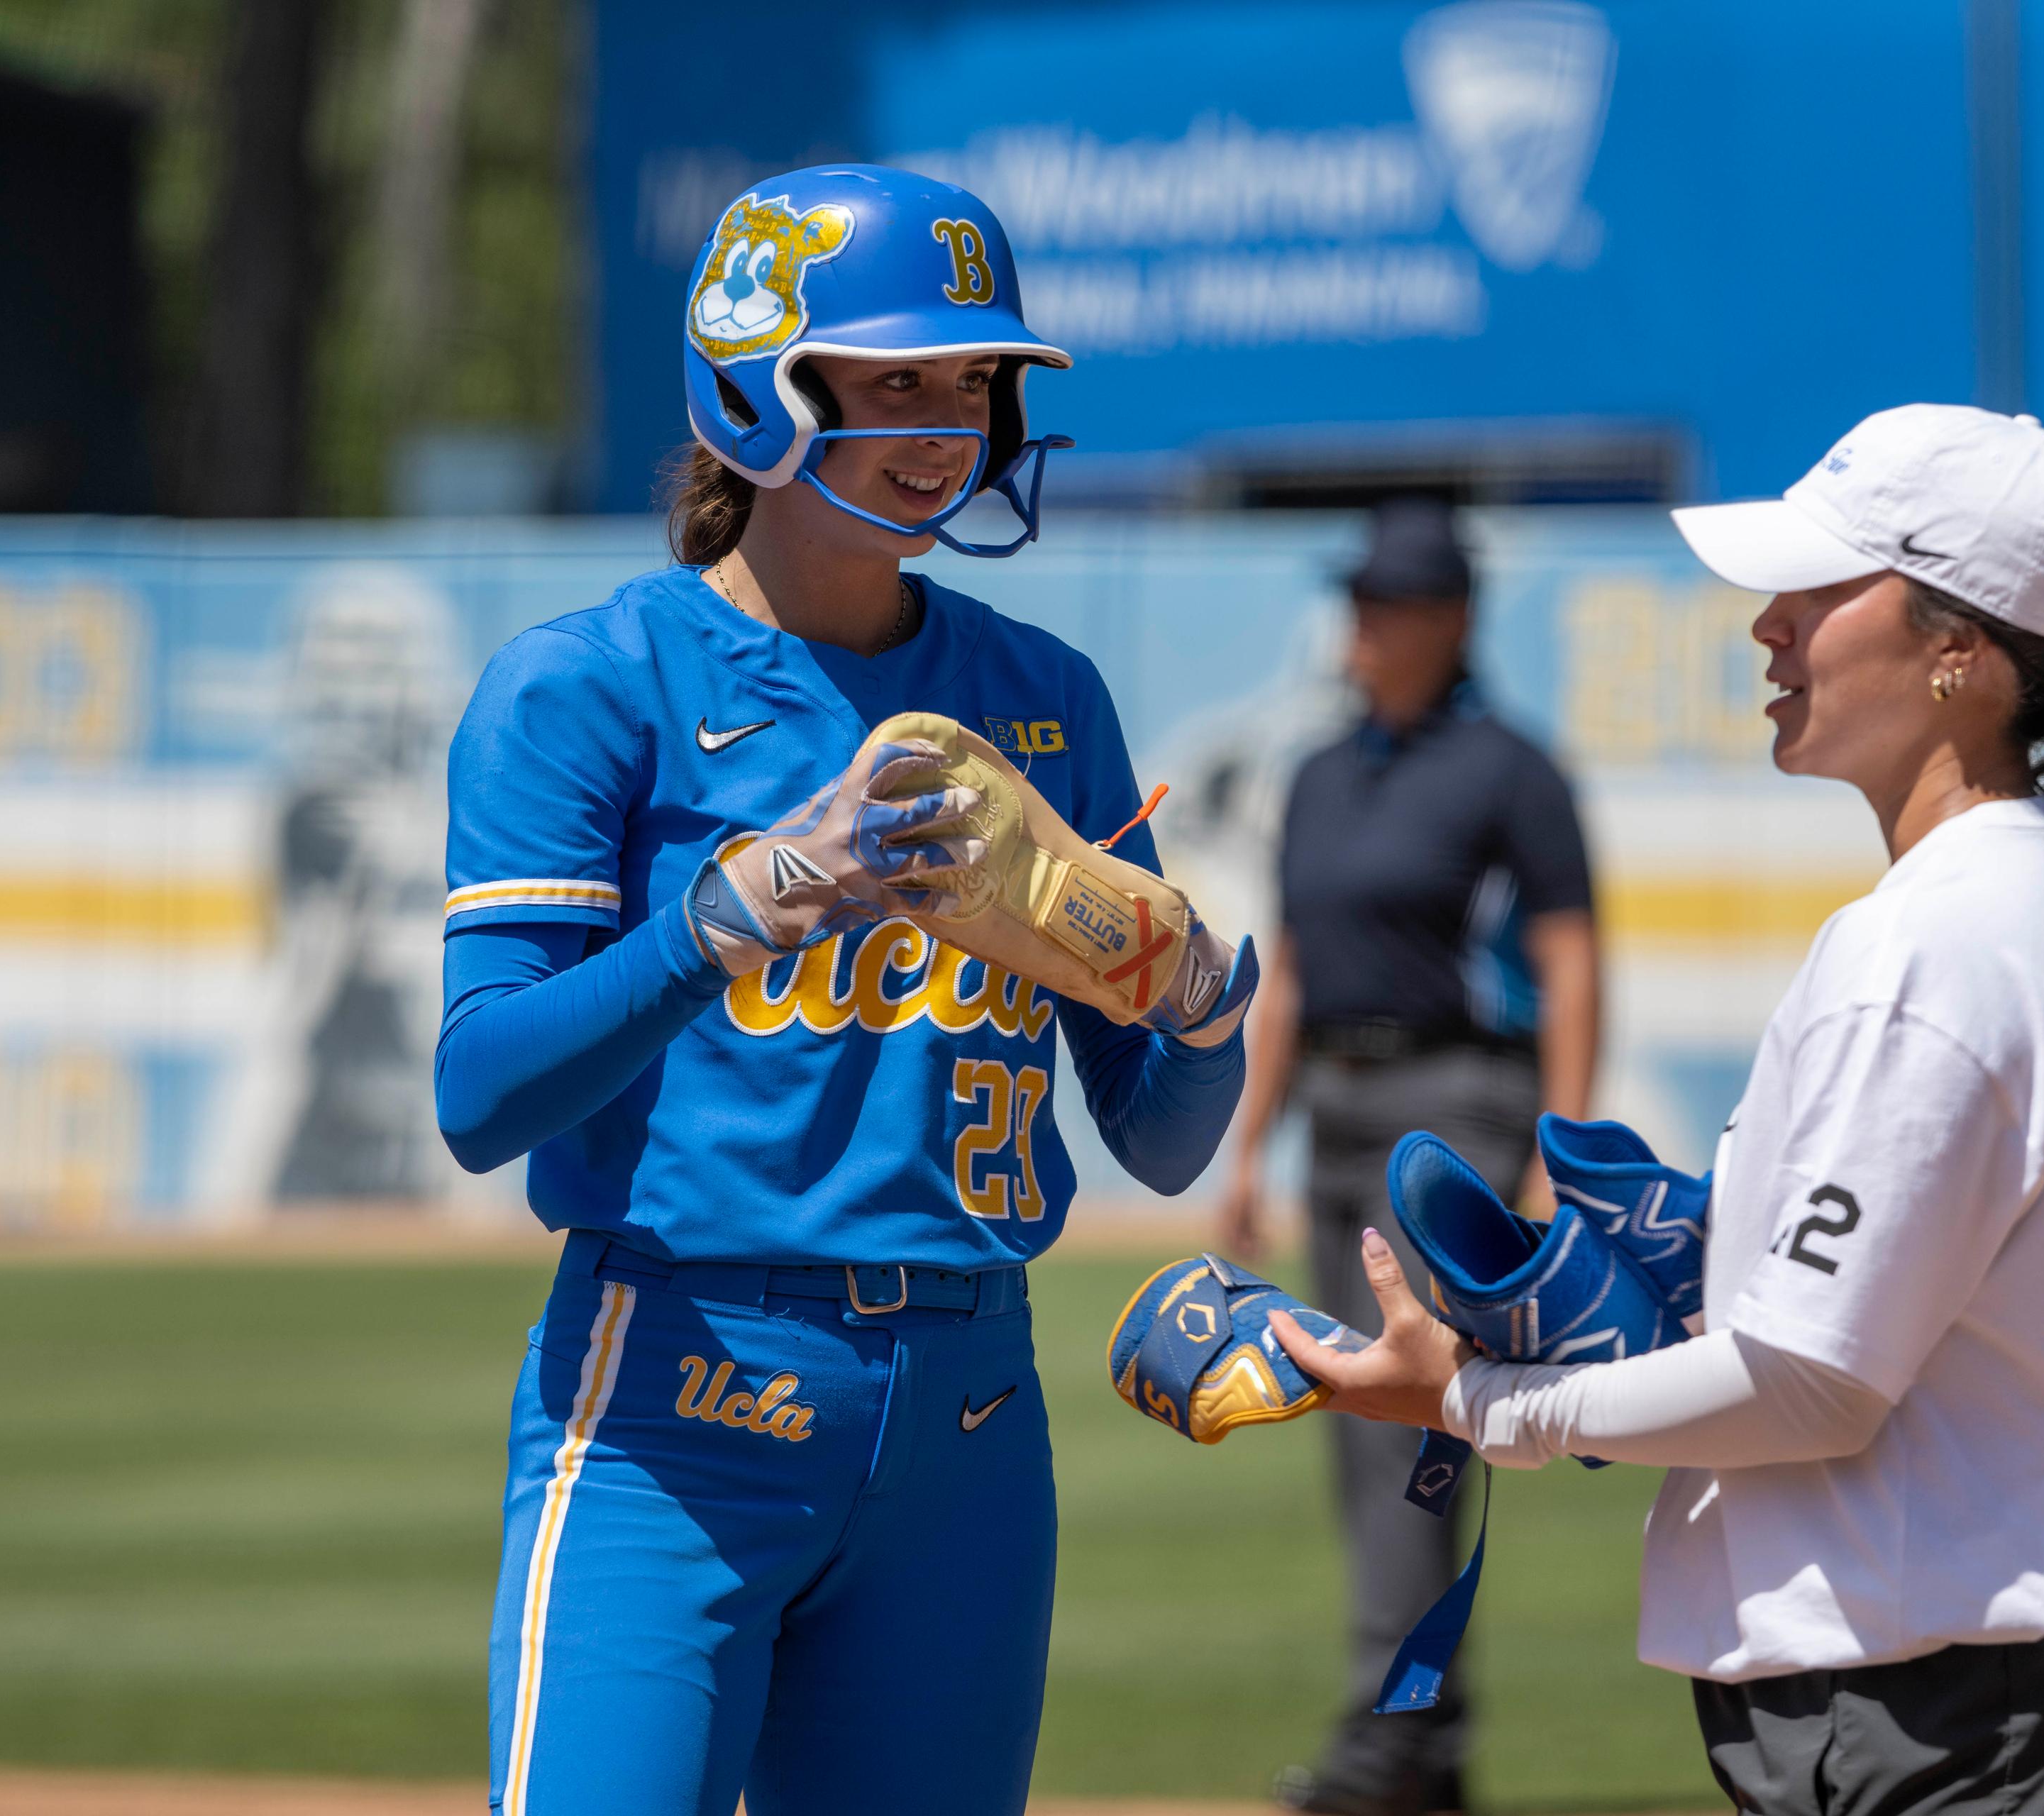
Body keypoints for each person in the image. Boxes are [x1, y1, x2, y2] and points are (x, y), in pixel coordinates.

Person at [1273, 405, 2044, 1815]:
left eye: (1819, 589)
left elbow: (1809, 1378)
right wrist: (1706, 1274)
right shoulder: (1997, 900)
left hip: (1961, 1726)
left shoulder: (1940, 938)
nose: (1769, 624)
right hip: (1981, 1708)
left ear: (1960, 645)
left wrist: (1470, 1398)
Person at [433, 165, 1254, 1816]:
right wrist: (720, 917)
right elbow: (480, 1096)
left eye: (974, 379)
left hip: (968, 1417)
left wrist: (1204, 1001)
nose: (948, 421)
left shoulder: (1041, 696)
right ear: (757, 384)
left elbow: (1159, 1146)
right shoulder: (592, 686)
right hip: (678, 1392)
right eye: (893, 379)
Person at [1218, 496, 1601, 1816]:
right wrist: (1248, 1151)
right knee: (1362, 1429)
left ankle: (1393, 1738)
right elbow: (1289, 971)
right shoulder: (1322, 774)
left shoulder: (1510, 769)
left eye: (1391, 604)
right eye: (1360, 600)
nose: (1365, 624)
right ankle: (1422, 1744)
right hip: (1335, 1104)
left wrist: (1558, 1144)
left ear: (1453, 621)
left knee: (1413, 1437)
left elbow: (1567, 954)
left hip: (1454, 1121)